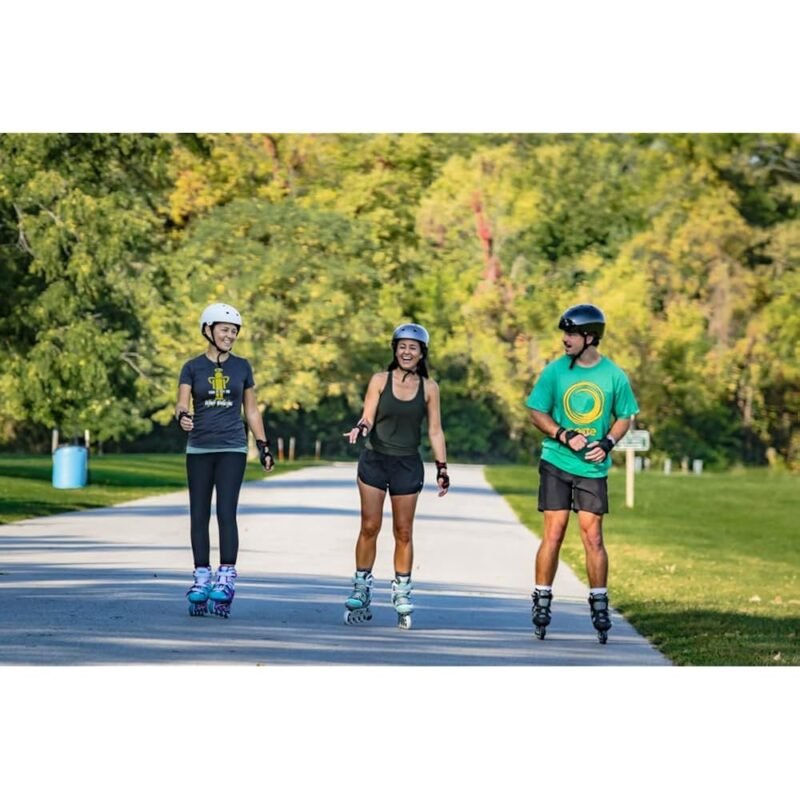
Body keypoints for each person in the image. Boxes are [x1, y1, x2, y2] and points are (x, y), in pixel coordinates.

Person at [525, 303, 639, 644]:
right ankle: (542, 598)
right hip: (557, 462)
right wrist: (563, 434)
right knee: (555, 532)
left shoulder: (614, 376)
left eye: (572, 334)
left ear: (591, 337)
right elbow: (535, 411)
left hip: (592, 467)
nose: (565, 339)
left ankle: (599, 601)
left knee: (593, 536)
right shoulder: (555, 372)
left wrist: (606, 442)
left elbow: (625, 416)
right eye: (565, 333)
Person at [342, 323, 450, 629]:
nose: (406, 351)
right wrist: (360, 429)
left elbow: (435, 430)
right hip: (375, 459)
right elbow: (368, 416)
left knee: (403, 531)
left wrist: (442, 468)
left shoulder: (430, 388)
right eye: (402, 346)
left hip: (407, 464)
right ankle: (361, 587)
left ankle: (402, 590)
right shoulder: (379, 380)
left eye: (413, 347)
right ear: (395, 349)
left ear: (421, 353)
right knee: (370, 525)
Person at [175, 302, 274, 618]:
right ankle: (201, 577)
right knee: (199, 514)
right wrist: (182, 418)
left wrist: (264, 445)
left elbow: (252, 410)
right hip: (199, 448)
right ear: (208, 330)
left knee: (226, 512)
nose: (230, 335)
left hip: (233, 446)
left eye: (234, 331)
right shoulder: (192, 367)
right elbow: (181, 404)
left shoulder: (242, 367)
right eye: (224, 330)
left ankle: (227, 577)